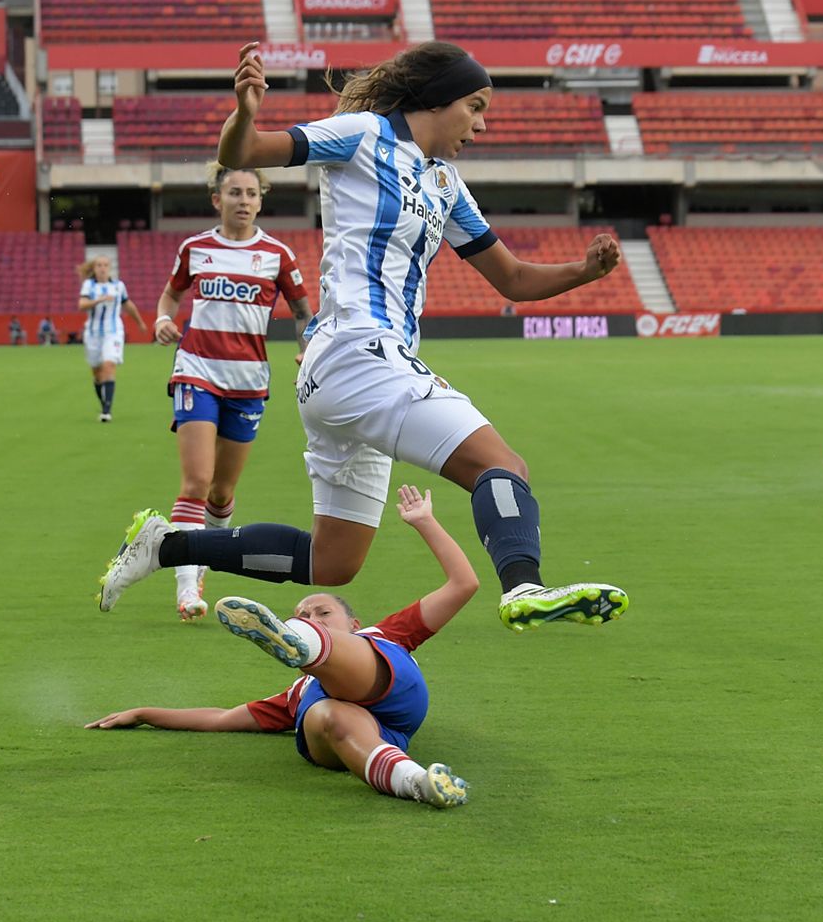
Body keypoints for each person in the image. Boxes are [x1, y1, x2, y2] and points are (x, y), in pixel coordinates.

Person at [99, 40, 629, 634]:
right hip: (359, 351)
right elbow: (246, 151)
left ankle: (166, 547)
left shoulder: (447, 185)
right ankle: (524, 587)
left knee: (334, 562)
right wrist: (246, 112)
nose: (480, 125)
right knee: (502, 465)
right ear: (440, 98)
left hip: (347, 369)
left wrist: (584, 272)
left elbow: (512, 277)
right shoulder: (362, 133)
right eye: (475, 107)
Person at [88, 485, 472, 809]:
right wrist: (144, 712)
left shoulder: (385, 633)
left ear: (352, 623)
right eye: (303, 614)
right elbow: (222, 719)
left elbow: (463, 584)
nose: (311, 613)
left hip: (394, 693)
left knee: (349, 665)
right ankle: (419, 783)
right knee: (326, 714)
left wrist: (425, 521)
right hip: (359, 736)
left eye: (321, 612)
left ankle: (305, 644)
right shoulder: (297, 695)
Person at [153, 163, 314, 621]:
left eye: (251, 193)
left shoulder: (277, 255)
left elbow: (303, 312)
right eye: (234, 192)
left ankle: (206, 553)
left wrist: (309, 350)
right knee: (196, 482)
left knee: (221, 494)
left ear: (261, 200)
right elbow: (170, 296)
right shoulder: (196, 248)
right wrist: (163, 319)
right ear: (216, 200)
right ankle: (187, 585)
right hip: (196, 370)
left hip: (247, 382)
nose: (243, 200)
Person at [79, 255, 148, 423]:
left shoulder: (118, 286)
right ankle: (104, 401)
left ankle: (106, 411)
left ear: (110, 268)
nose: (102, 268)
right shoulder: (89, 285)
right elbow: (82, 305)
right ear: (94, 269)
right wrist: (100, 300)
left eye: (105, 265)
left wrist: (140, 322)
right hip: (93, 333)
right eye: (99, 265)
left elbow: (128, 304)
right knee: (97, 373)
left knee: (109, 365)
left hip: (114, 331)